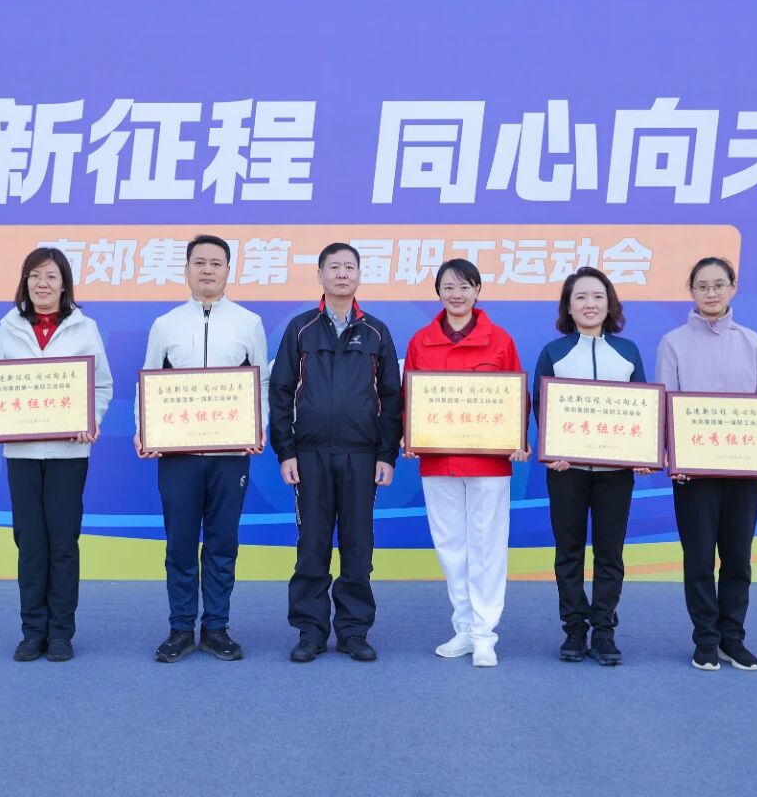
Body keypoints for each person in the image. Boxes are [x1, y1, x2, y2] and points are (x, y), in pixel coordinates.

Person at [0, 246, 113, 663]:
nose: (42, 284)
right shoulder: (8, 328)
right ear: (25, 282)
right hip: (22, 452)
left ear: (64, 284)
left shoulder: (85, 328)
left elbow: (102, 385)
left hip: (70, 452)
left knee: (63, 541)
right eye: (34, 276)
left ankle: (62, 633)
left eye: (51, 276)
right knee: (30, 542)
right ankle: (33, 631)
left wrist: (91, 418)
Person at [134, 234, 269, 663]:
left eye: (216, 263)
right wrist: (144, 430)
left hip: (231, 456)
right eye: (199, 262)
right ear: (187, 269)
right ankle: (179, 628)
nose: (207, 270)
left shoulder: (248, 322)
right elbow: (148, 381)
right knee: (179, 543)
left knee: (222, 542)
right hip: (178, 457)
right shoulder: (166, 324)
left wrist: (259, 426)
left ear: (228, 271)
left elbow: (262, 382)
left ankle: (215, 627)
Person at [655, 256, 757, 672]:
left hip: (743, 469)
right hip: (692, 471)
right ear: (691, 291)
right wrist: (669, 455)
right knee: (698, 559)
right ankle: (705, 639)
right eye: (702, 286)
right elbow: (663, 403)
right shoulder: (673, 342)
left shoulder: (751, 341)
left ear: (733, 287)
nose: (711, 293)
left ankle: (733, 637)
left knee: (737, 558)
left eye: (719, 284)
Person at [269, 242, 403, 663]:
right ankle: (310, 631)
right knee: (311, 544)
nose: (342, 274)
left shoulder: (377, 332)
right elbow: (281, 391)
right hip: (310, 455)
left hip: (361, 455)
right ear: (320, 275)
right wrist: (285, 451)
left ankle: (353, 631)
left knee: (358, 545)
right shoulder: (300, 329)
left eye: (349, 267)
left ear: (359, 275)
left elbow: (392, 397)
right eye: (334, 267)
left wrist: (387, 455)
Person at [402, 259, 528, 668]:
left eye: (465, 287)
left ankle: (485, 635)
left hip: (489, 464)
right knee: (451, 548)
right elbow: (409, 398)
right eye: (448, 288)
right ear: (438, 293)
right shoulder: (421, 341)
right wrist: (408, 435)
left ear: (478, 291)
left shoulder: (500, 340)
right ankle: (464, 628)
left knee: (487, 547)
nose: (456, 295)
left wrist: (517, 441)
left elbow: (517, 399)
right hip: (438, 462)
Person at [532, 266, 650, 667]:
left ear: (610, 304)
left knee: (610, 554)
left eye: (598, 296)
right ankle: (574, 628)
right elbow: (541, 407)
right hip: (566, 471)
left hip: (616, 475)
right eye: (580, 297)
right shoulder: (554, 352)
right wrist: (551, 449)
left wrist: (643, 453)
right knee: (568, 552)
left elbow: (642, 410)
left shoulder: (628, 351)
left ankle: (603, 629)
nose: (589, 304)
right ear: (568, 306)